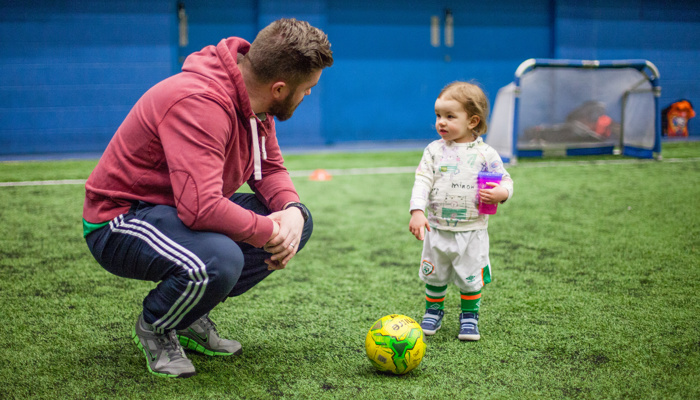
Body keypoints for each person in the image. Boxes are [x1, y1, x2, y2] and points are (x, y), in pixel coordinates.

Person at [82, 18, 333, 378]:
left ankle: (188, 314)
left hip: (176, 210)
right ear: (279, 88)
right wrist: (266, 231)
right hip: (121, 220)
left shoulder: (256, 101)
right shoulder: (199, 101)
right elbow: (200, 209)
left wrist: (291, 212)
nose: (308, 94)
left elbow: (270, 170)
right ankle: (156, 324)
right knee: (220, 259)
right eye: (307, 87)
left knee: (297, 224)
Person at [408, 81, 513, 341]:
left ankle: (469, 316)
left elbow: (506, 181)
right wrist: (417, 211)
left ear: (473, 121)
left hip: (472, 230)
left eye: (450, 116)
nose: (441, 122)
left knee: (470, 277)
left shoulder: (486, 153)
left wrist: (502, 193)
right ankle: (433, 311)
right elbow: (422, 180)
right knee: (436, 274)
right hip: (437, 228)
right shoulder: (433, 150)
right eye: (438, 115)